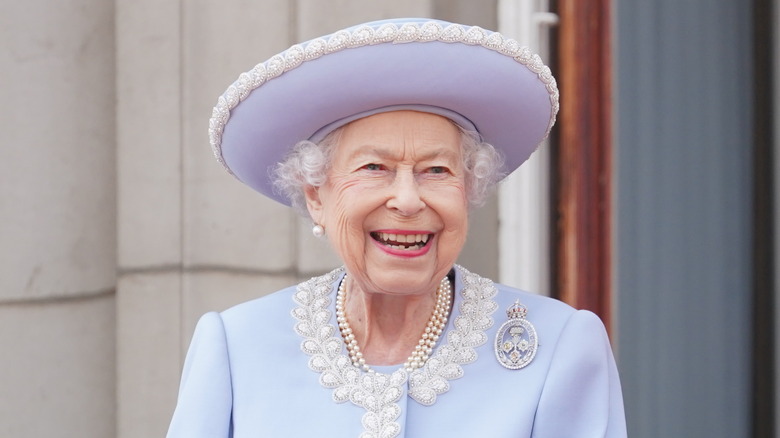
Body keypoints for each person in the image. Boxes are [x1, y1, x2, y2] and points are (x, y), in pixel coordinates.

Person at [167, 18, 626, 437]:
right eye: (374, 167)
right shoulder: (237, 346)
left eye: (436, 171)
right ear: (316, 195)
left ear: (467, 191)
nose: (407, 200)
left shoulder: (558, 348)